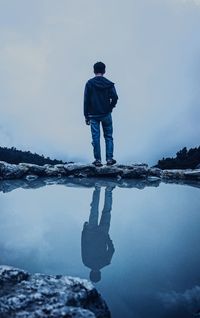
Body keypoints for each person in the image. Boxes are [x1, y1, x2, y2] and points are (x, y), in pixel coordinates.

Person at [84, 62, 118, 167]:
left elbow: (86, 101)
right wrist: (110, 107)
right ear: (104, 71)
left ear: (94, 71)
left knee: (96, 137)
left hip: (93, 115)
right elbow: (115, 97)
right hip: (106, 114)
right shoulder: (109, 84)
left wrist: (86, 116)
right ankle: (109, 159)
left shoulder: (89, 83)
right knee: (108, 136)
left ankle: (98, 160)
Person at [81, 184, 115, 283]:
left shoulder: (105, 262)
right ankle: (97, 189)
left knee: (107, 211)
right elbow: (83, 245)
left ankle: (108, 190)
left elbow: (112, 249)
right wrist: (84, 230)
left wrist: (106, 236)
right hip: (90, 232)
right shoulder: (86, 262)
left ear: (99, 274)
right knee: (94, 210)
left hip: (103, 233)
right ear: (91, 273)